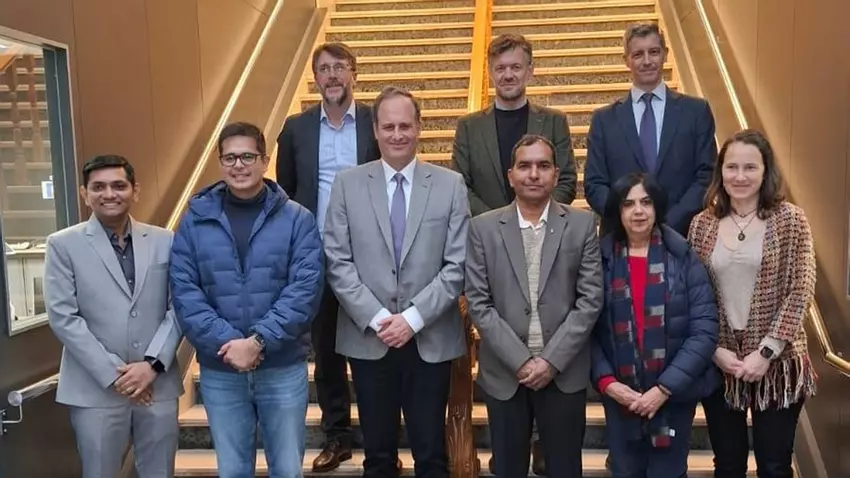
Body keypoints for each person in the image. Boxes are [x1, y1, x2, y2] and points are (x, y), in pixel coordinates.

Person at [323, 86, 469, 478]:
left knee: (432, 457)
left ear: (419, 127)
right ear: (375, 130)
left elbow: (457, 264)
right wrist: (378, 318)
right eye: (388, 127)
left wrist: (412, 319)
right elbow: (337, 260)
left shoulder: (450, 185)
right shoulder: (347, 184)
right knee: (378, 458)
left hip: (430, 338)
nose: (397, 134)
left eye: (405, 125)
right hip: (369, 339)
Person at [170, 122, 324, 477]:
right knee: (233, 470)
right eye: (230, 158)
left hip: (282, 367)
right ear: (220, 162)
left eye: (247, 156)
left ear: (265, 160)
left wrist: (257, 342)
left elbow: (305, 290)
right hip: (221, 369)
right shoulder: (195, 221)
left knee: (287, 469)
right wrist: (229, 344)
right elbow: (185, 291)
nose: (238, 165)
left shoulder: (298, 219)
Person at [464, 134, 602, 477]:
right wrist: (521, 360)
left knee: (564, 468)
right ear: (511, 176)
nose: (534, 174)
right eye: (524, 166)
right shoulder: (482, 229)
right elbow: (479, 303)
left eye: (543, 165)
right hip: (505, 373)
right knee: (508, 468)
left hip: (563, 372)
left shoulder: (582, 224)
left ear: (556, 174)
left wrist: (550, 361)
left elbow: (590, 300)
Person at [276, 41, 380, 472]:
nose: (332, 75)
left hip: (371, 258)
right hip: (316, 257)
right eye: (323, 68)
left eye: (340, 67)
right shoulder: (296, 129)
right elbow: (285, 192)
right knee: (326, 352)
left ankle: (379, 440)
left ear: (354, 72)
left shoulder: (376, 121)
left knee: (374, 350)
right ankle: (337, 437)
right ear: (315, 77)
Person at [688, 129, 817, 478]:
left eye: (750, 167)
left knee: (774, 466)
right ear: (721, 171)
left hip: (778, 364)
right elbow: (692, 294)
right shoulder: (701, 224)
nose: (740, 176)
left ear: (765, 171)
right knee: (728, 465)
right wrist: (714, 350)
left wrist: (765, 352)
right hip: (721, 363)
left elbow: (801, 290)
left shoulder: (791, 220)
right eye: (732, 167)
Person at [45, 155, 183, 478]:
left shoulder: (166, 240)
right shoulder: (62, 245)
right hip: (95, 390)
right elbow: (63, 317)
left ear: (135, 191)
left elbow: (180, 307)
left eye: (119, 186)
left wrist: (152, 366)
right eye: (98, 187)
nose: (109, 194)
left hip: (157, 385)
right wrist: (118, 376)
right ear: (85, 194)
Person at [591, 172, 719, 478]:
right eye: (628, 204)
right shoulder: (599, 259)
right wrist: (608, 384)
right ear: (617, 210)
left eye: (646, 202)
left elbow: (704, 330)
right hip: (620, 398)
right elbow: (586, 329)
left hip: (672, 399)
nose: (638, 211)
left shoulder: (684, 256)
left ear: (657, 207)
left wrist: (663, 389)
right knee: (625, 471)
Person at [584, 22, 717, 237]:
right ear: (626, 60)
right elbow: (594, 183)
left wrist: (667, 225)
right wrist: (630, 220)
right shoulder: (604, 120)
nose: (647, 61)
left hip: (681, 237)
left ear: (665, 54)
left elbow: (706, 176)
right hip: (621, 241)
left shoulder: (696, 111)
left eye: (653, 52)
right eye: (638, 54)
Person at [453, 33, 577, 217]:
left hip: (543, 227)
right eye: (500, 68)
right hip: (487, 231)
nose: (508, 75)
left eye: (516, 67)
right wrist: (498, 224)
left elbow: (566, 181)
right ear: (490, 72)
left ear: (530, 70)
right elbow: (461, 187)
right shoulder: (468, 127)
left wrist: (534, 216)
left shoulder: (555, 121)